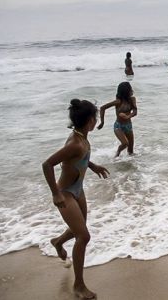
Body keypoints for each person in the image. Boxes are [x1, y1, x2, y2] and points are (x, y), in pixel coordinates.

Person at [42, 99, 110, 300]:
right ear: (90, 120)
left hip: (78, 190)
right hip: (66, 193)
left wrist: (93, 165)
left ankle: (57, 242)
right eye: (95, 118)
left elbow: (80, 158)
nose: (96, 121)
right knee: (84, 236)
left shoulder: (82, 138)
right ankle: (79, 285)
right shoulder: (74, 143)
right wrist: (56, 193)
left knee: (78, 229)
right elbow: (47, 164)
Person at [98, 82, 137, 157]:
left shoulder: (132, 99)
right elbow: (102, 108)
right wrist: (102, 122)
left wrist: (128, 116)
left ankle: (129, 166)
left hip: (128, 125)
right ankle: (117, 154)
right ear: (126, 92)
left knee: (131, 152)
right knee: (125, 143)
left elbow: (135, 112)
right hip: (118, 126)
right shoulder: (118, 102)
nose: (132, 90)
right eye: (130, 89)